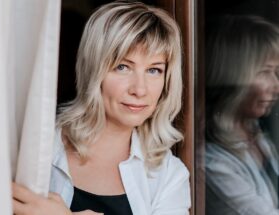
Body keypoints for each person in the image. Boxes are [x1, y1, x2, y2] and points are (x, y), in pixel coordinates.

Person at [12, 1, 191, 214]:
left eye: (154, 70)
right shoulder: (37, 148)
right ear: (93, 70)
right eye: (123, 67)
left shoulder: (168, 176)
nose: (140, 90)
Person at [205, 15, 279, 215]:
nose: (276, 86)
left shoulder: (257, 131)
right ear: (235, 75)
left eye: (277, 72)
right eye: (265, 72)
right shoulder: (211, 161)